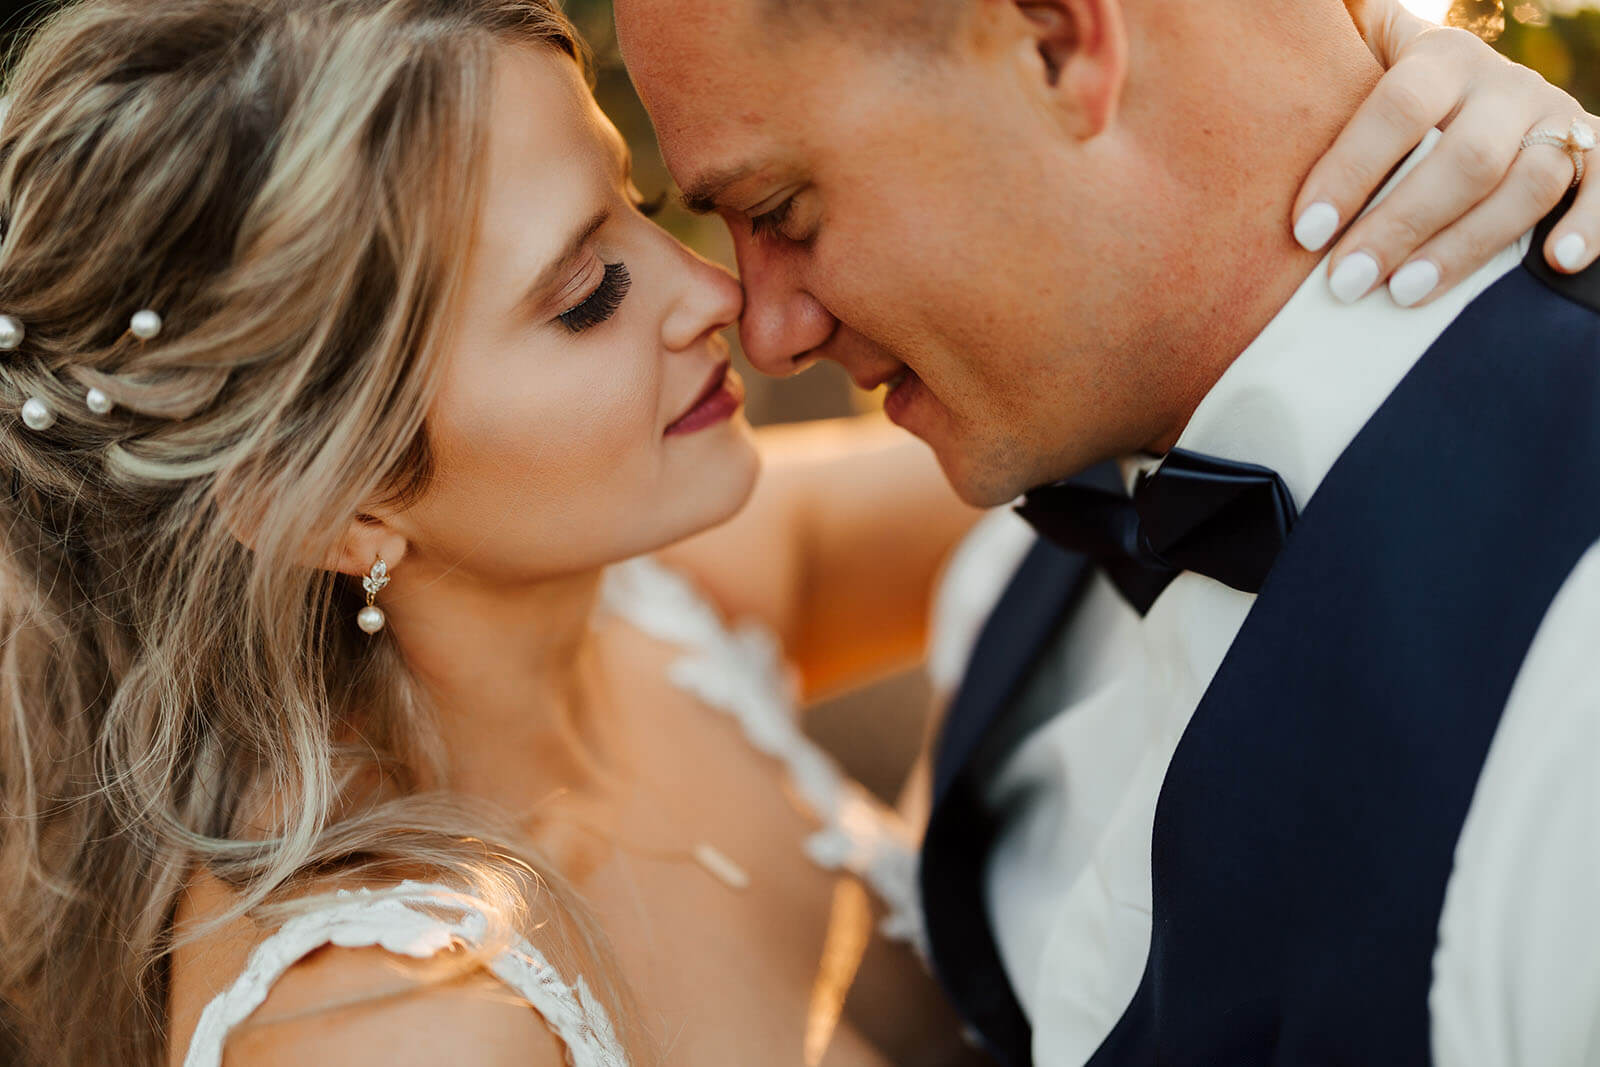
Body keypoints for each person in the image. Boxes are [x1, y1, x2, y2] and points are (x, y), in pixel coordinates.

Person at [0, 2, 1585, 1066]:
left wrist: (1447, 142)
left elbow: (1211, 415)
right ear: (328, 498)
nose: (724, 308)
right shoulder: (396, 1027)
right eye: (584, 295)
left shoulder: (659, 596)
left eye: (639, 213)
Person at [612, 0, 1600, 1064]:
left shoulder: (1569, 693)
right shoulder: (1055, 470)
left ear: (1057, 43)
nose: (767, 334)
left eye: (782, 209)